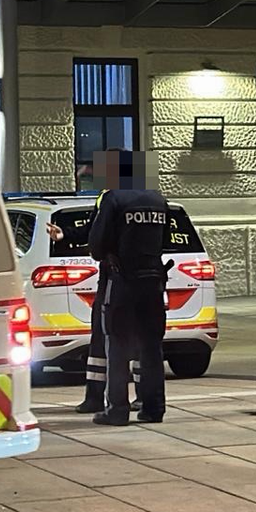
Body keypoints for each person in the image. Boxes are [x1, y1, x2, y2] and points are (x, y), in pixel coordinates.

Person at [87, 151, 171, 427]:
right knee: (151, 346)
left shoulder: (114, 199)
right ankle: (154, 407)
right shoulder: (159, 200)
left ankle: (118, 409)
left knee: (117, 344)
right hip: (153, 281)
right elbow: (166, 240)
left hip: (122, 282)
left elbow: (97, 246)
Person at [73, 191, 108, 414]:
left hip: (114, 279)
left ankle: (97, 398)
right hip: (151, 278)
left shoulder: (110, 198)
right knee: (143, 343)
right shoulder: (152, 199)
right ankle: (146, 400)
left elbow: (96, 238)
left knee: (101, 340)